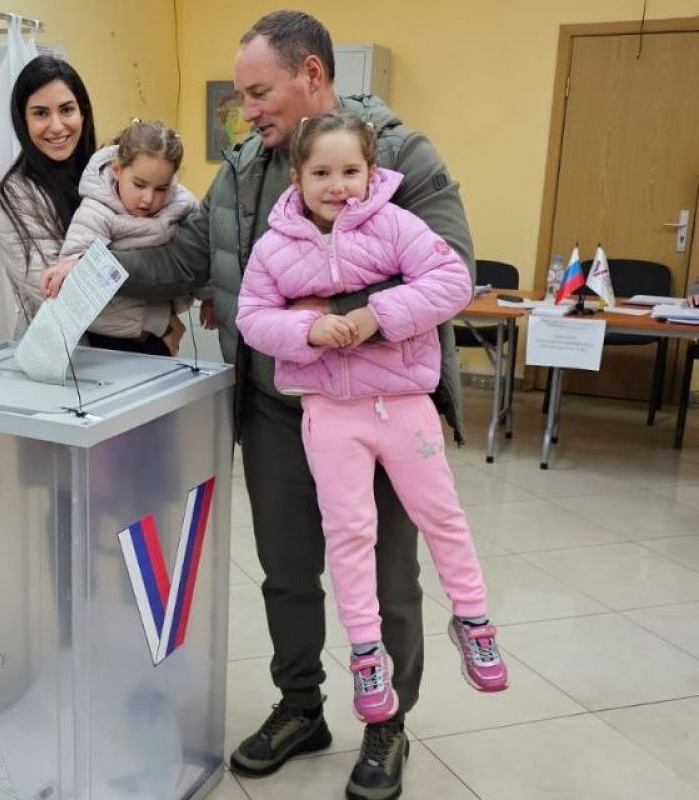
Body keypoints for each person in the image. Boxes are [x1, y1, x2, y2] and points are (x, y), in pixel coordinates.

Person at [91, 11, 477, 800]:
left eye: (259, 92)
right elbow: (189, 259)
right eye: (241, 96)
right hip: (276, 410)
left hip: (379, 406)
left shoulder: (402, 155)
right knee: (287, 572)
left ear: (312, 75)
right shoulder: (241, 171)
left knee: (388, 577)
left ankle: (388, 723)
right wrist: (93, 266)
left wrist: (330, 316)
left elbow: (450, 272)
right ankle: (301, 706)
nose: (247, 111)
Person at [237, 111, 508, 725]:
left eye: (350, 171)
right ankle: (365, 653)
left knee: (441, 515)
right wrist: (307, 329)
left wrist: (371, 316)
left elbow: (452, 281)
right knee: (349, 532)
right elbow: (252, 317)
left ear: (371, 171)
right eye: (321, 173)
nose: (338, 186)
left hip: (404, 406)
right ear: (297, 176)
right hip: (330, 415)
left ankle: (473, 619)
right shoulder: (275, 247)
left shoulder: (394, 224)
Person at [44, 119, 196, 356]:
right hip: (110, 339)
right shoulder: (96, 211)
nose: (148, 199)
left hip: (159, 334)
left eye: (161, 189)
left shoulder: (182, 203)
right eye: (139, 185)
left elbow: (201, 250)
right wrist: (157, 320)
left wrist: (209, 297)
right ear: (117, 170)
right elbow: (79, 276)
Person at [0, 55, 97, 336]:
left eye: (67, 110)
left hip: (138, 349)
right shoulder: (15, 197)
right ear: (22, 121)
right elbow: (60, 298)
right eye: (41, 113)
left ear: (83, 112)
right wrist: (154, 321)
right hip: (63, 353)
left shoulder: (108, 174)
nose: (57, 126)